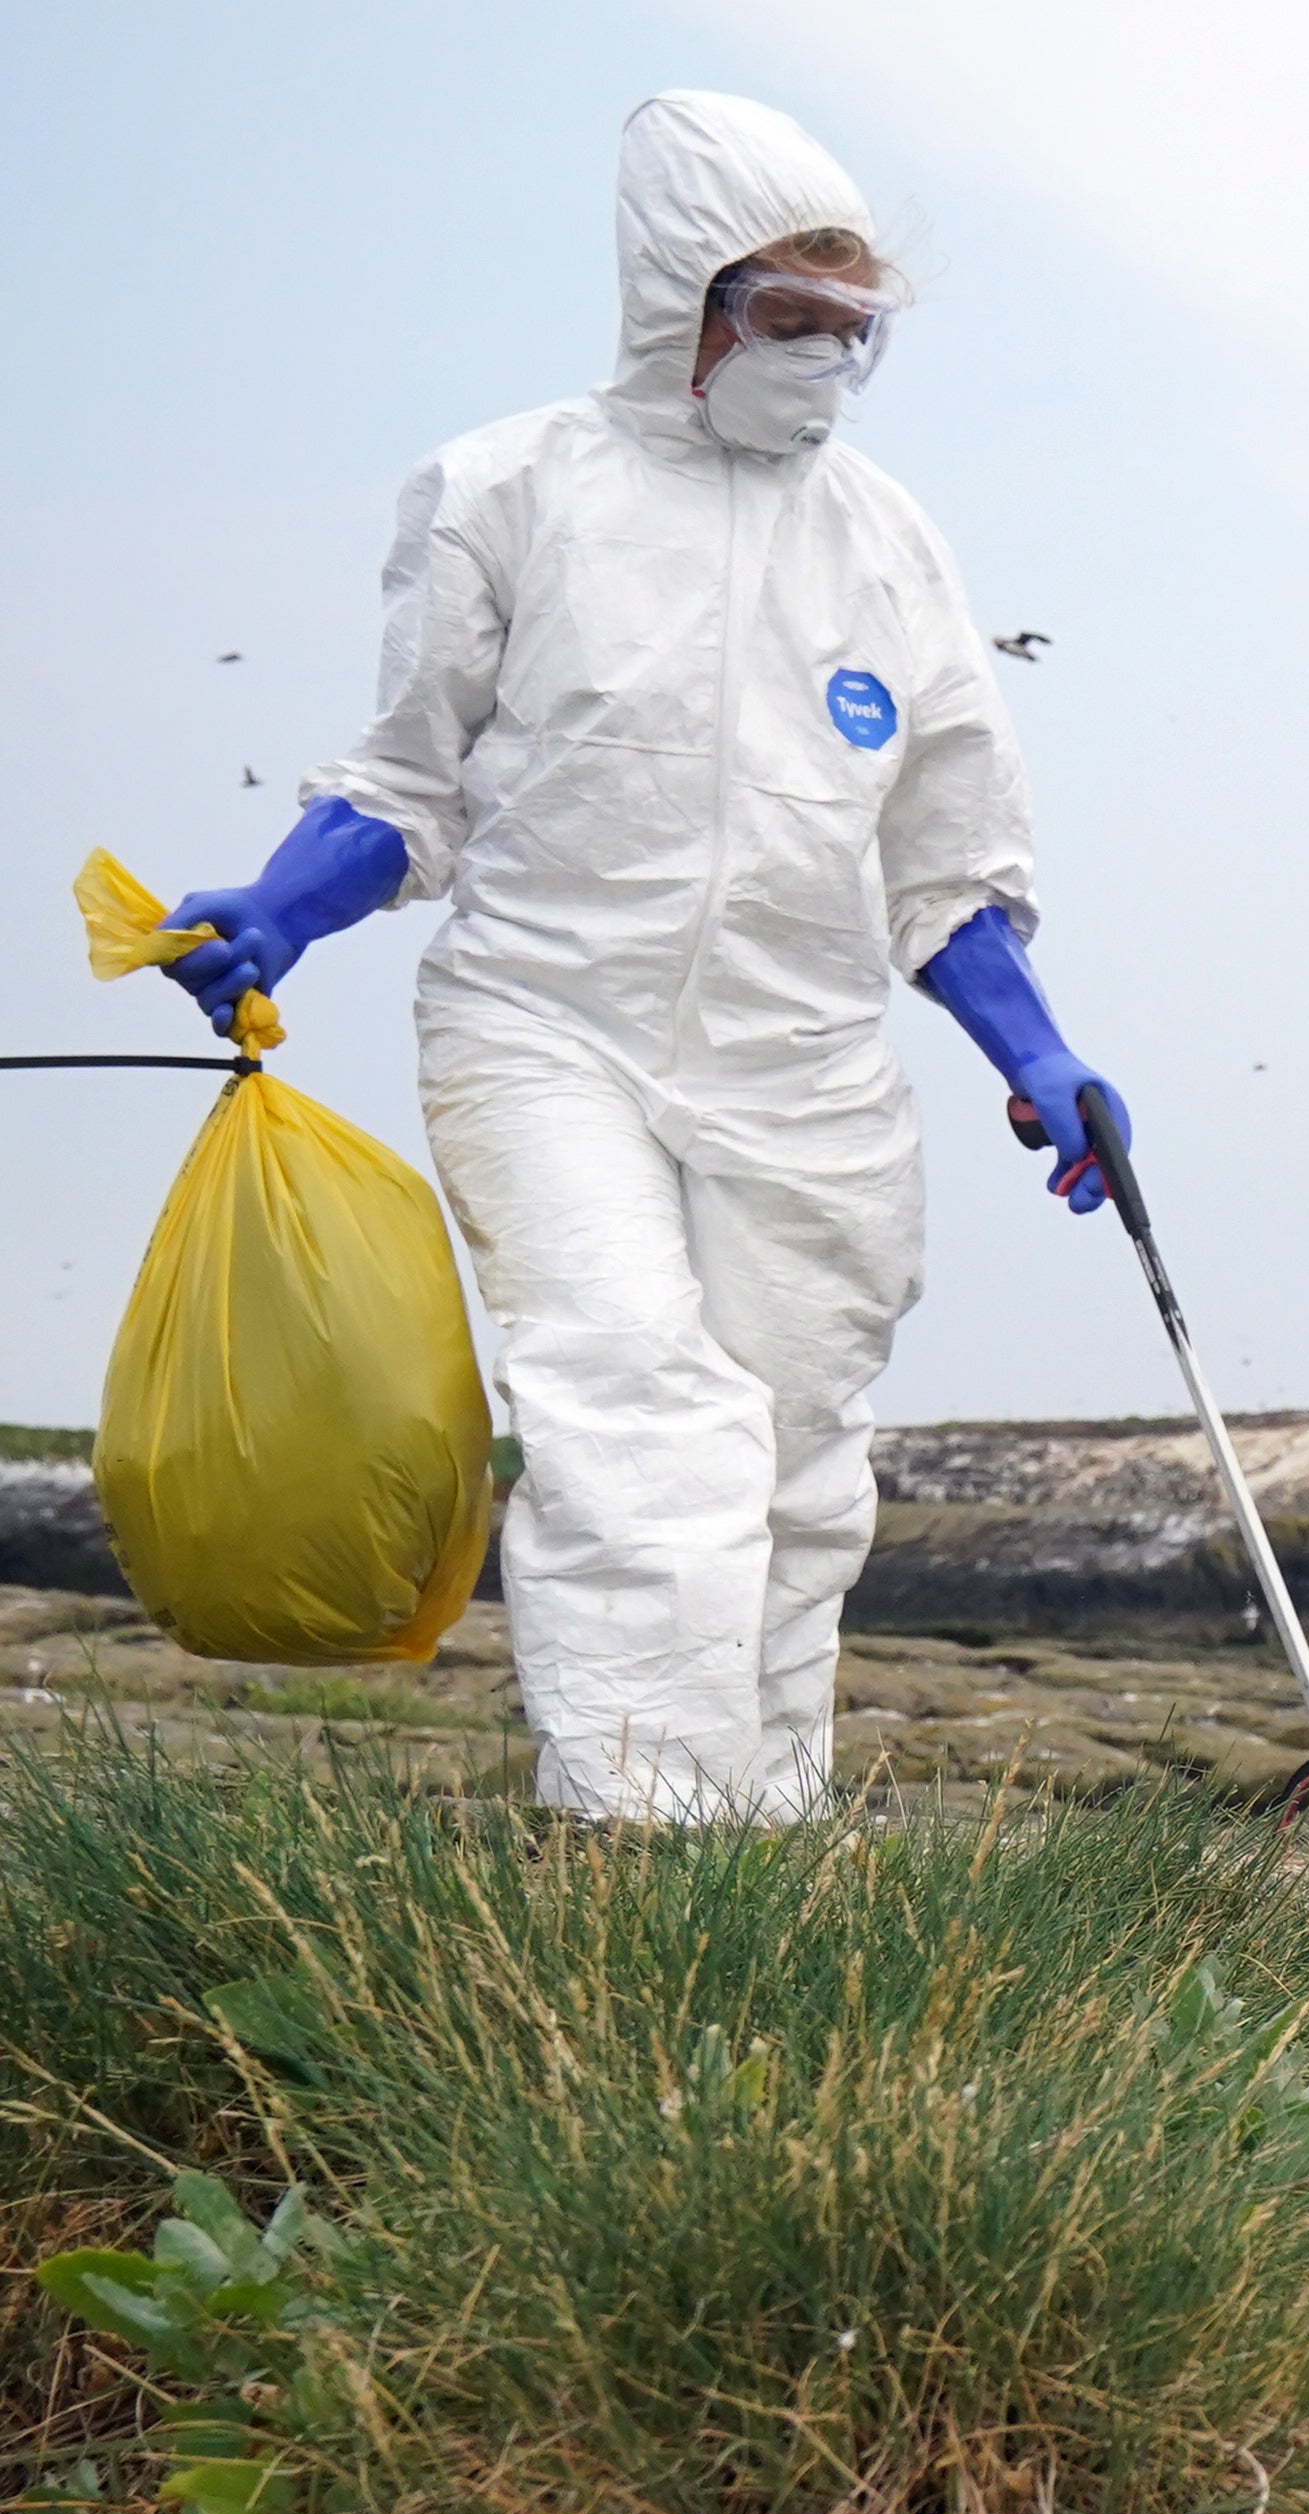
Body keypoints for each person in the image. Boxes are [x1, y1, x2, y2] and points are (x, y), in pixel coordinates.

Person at [155, 91, 1115, 1821]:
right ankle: (641, 1832)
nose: (819, 361)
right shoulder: (509, 491)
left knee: (799, 1460)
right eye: (785, 320)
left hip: (803, 1061)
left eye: (852, 333)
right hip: (548, 1022)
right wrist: (283, 908)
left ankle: (758, 1833)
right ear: (684, 296)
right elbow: (407, 776)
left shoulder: (887, 542)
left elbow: (947, 860)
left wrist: (1034, 1056)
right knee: (634, 1408)